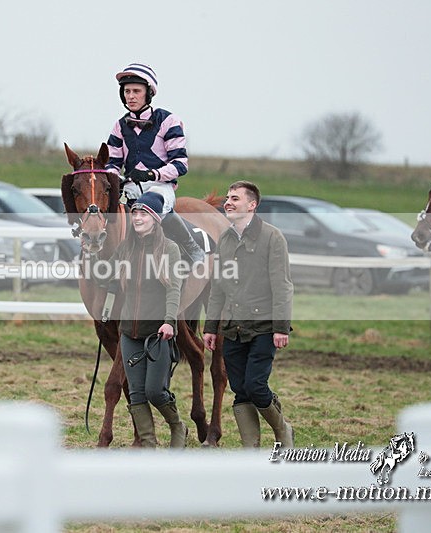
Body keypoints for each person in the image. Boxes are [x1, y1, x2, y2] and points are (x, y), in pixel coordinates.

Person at [202, 181, 295, 448]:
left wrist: (280, 326)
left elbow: (282, 285)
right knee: (240, 390)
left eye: (235, 199)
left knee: (255, 385)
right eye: (228, 198)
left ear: (252, 205)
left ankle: (283, 429)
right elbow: (218, 286)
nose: (227, 203)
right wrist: (210, 327)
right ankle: (250, 447)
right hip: (232, 327)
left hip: (264, 327)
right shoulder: (225, 239)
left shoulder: (272, 237)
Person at [102, 191, 188, 448]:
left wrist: (169, 321)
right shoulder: (125, 248)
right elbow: (106, 279)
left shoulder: (169, 249)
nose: (137, 218)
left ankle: (177, 427)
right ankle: (149, 445)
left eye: (143, 213)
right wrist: (91, 255)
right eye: (135, 213)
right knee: (137, 393)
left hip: (157, 332)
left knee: (154, 391)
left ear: (155, 219)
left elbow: (174, 288)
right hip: (129, 332)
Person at [105, 62, 205, 264]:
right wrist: (114, 178)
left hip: (161, 190)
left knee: (148, 203)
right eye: (126, 91)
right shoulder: (119, 126)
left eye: (136, 91)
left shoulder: (169, 121)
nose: (130, 96)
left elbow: (180, 164)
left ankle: (191, 247)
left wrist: (152, 174)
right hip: (131, 192)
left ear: (148, 93)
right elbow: (112, 163)